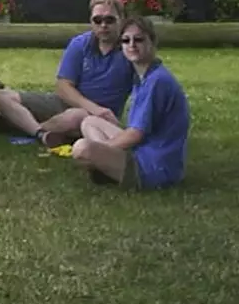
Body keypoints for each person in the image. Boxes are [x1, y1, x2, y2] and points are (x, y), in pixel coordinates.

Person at [0, 0, 135, 143]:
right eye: (97, 20)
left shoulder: (131, 49)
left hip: (96, 118)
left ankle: (20, 126)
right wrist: (93, 108)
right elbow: (63, 87)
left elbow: (146, 89)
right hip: (66, 104)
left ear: (122, 20)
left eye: (109, 20)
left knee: (76, 117)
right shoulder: (80, 44)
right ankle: (39, 132)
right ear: (91, 21)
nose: (103, 25)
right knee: (0, 95)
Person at [70, 16, 190, 189]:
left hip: (154, 167)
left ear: (152, 42)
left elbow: (135, 134)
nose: (131, 45)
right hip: (143, 151)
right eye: (126, 40)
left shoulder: (157, 81)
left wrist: (101, 150)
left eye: (138, 39)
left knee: (82, 148)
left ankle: (105, 168)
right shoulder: (143, 76)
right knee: (90, 122)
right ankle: (105, 167)